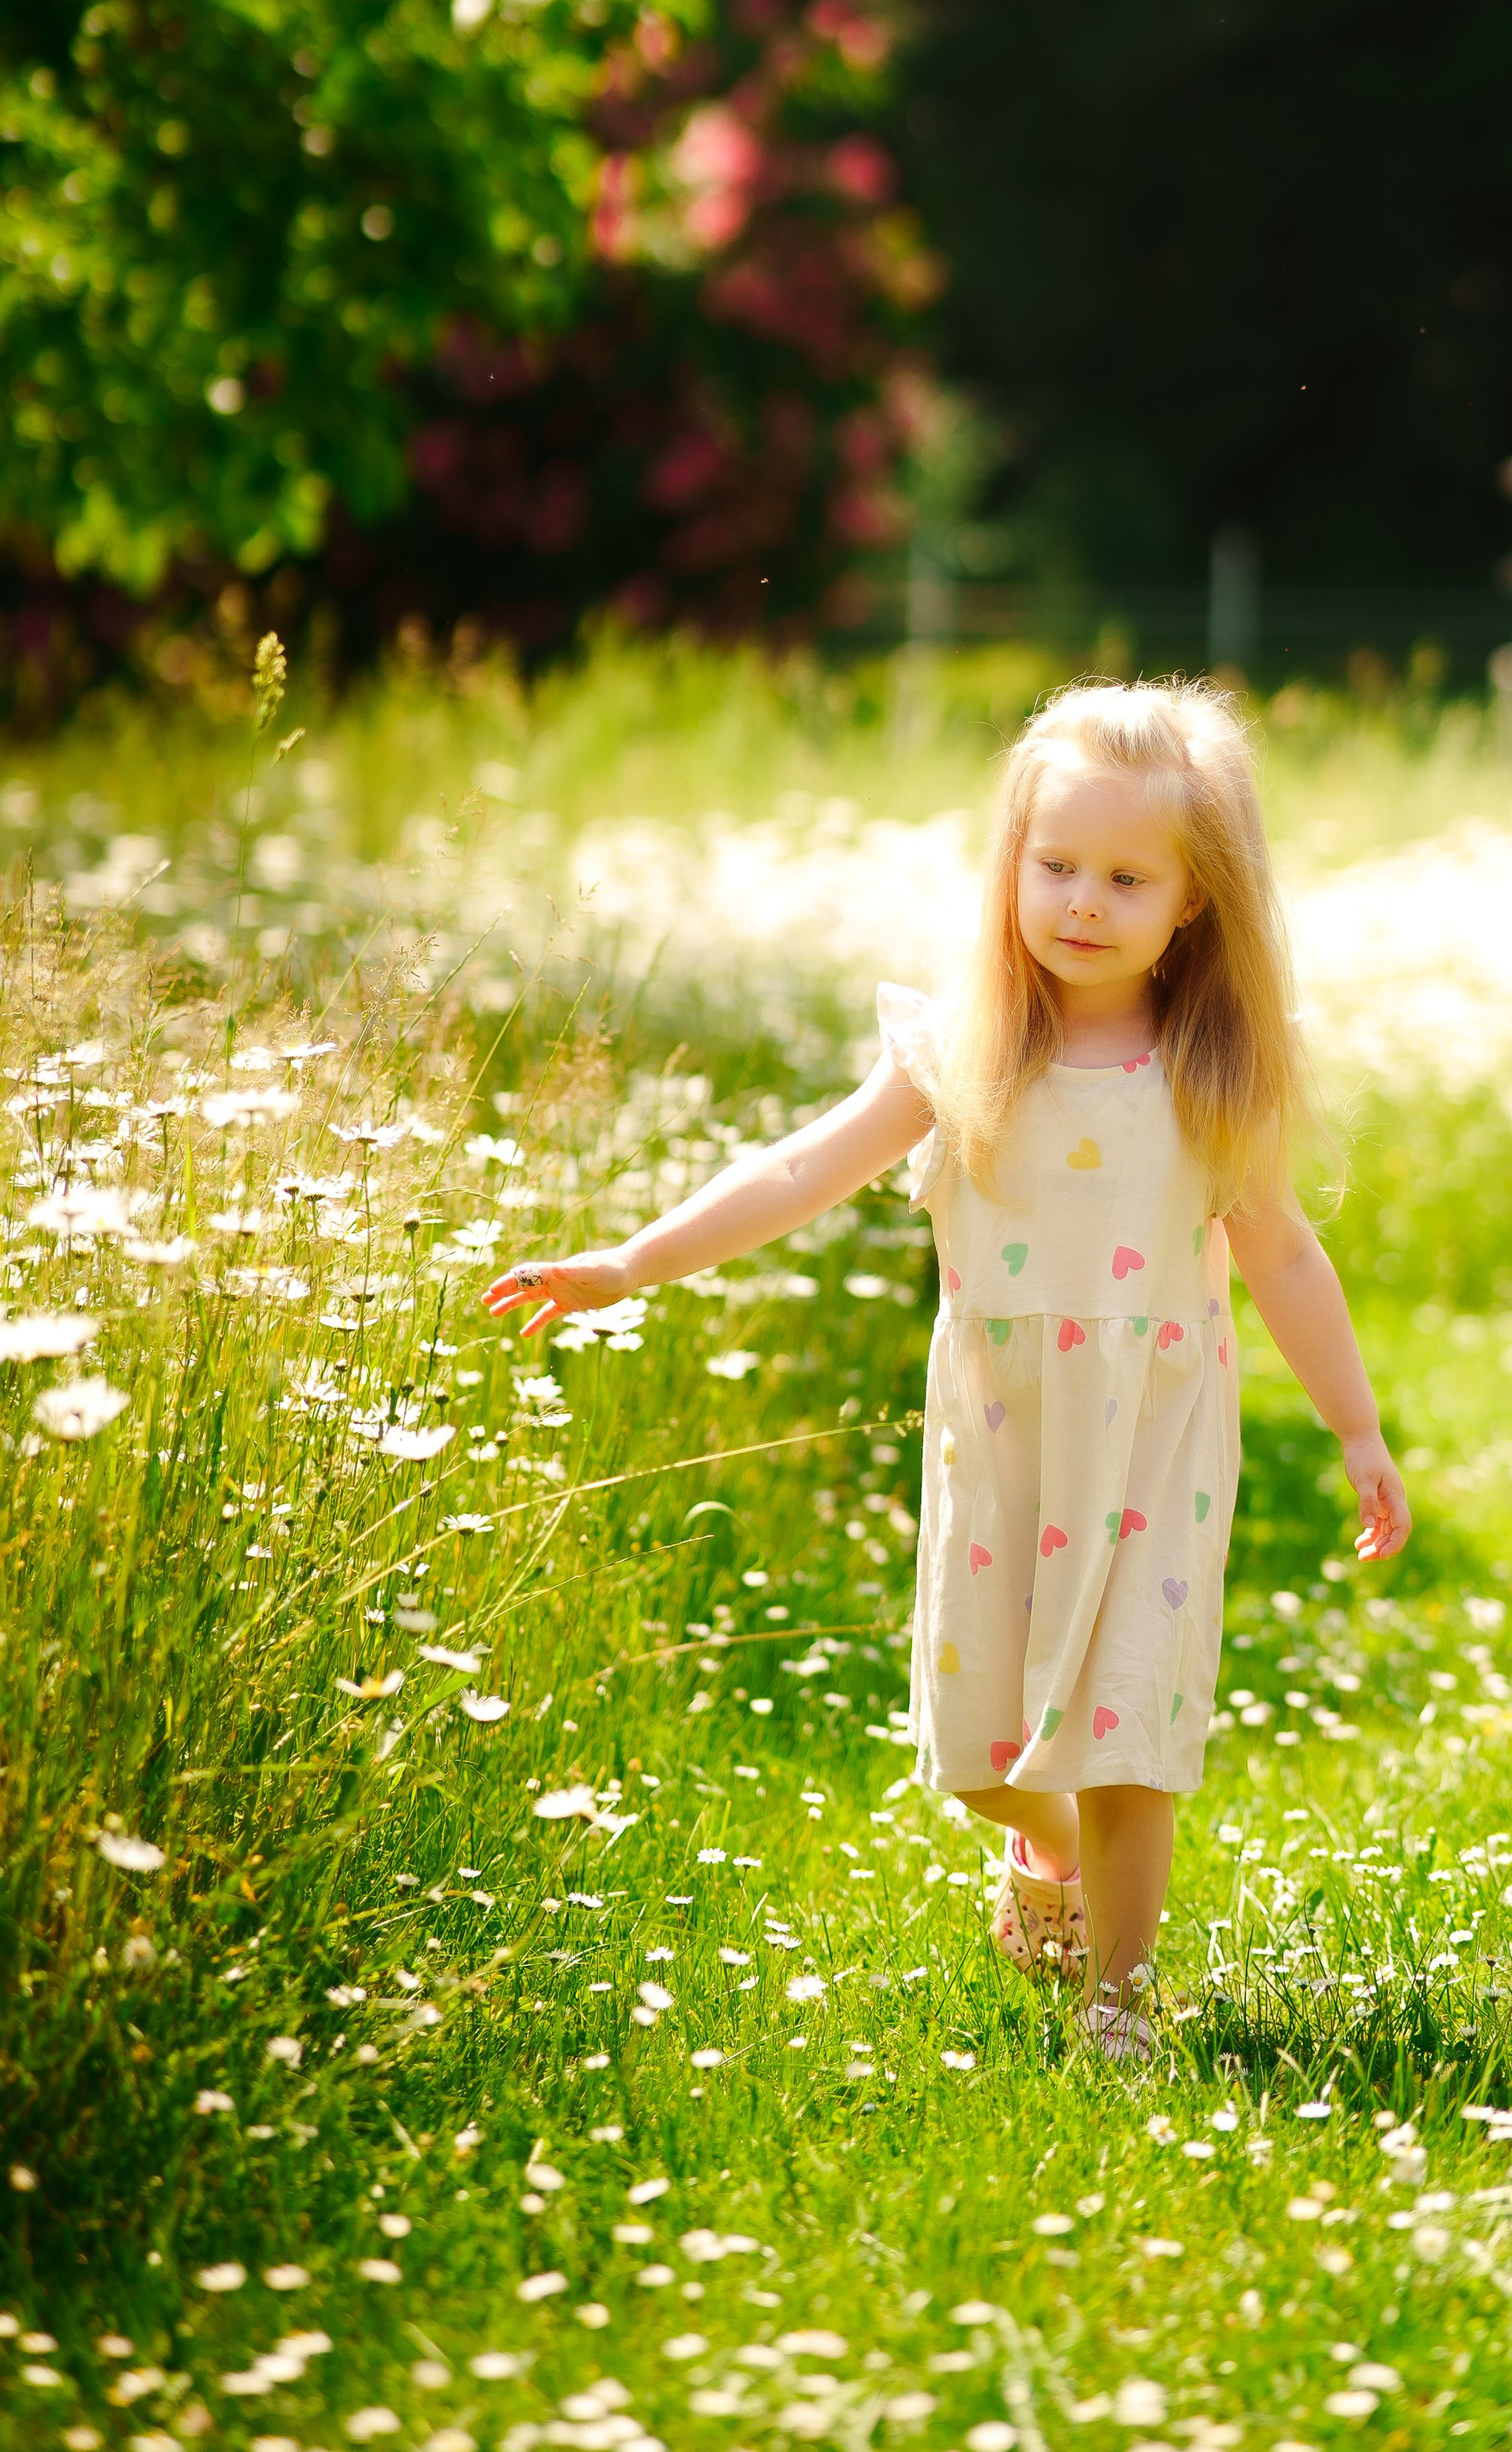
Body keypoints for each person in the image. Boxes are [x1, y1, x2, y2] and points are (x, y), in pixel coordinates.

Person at [485, 680, 1410, 2062]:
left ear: (1192, 902)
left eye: (1123, 876)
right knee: (977, 1751)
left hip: (1152, 1437)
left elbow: (1283, 1263)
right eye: (1055, 865)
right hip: (1005, 1430)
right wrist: (629, 1263)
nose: (1082, 901)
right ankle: (1060, 1865)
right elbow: (799, 1167)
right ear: (1011, 866)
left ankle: (1120, 1991)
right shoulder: (965, 1050)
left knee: (1122, 1734)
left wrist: (1356, 1431)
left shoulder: (1207, 1077)